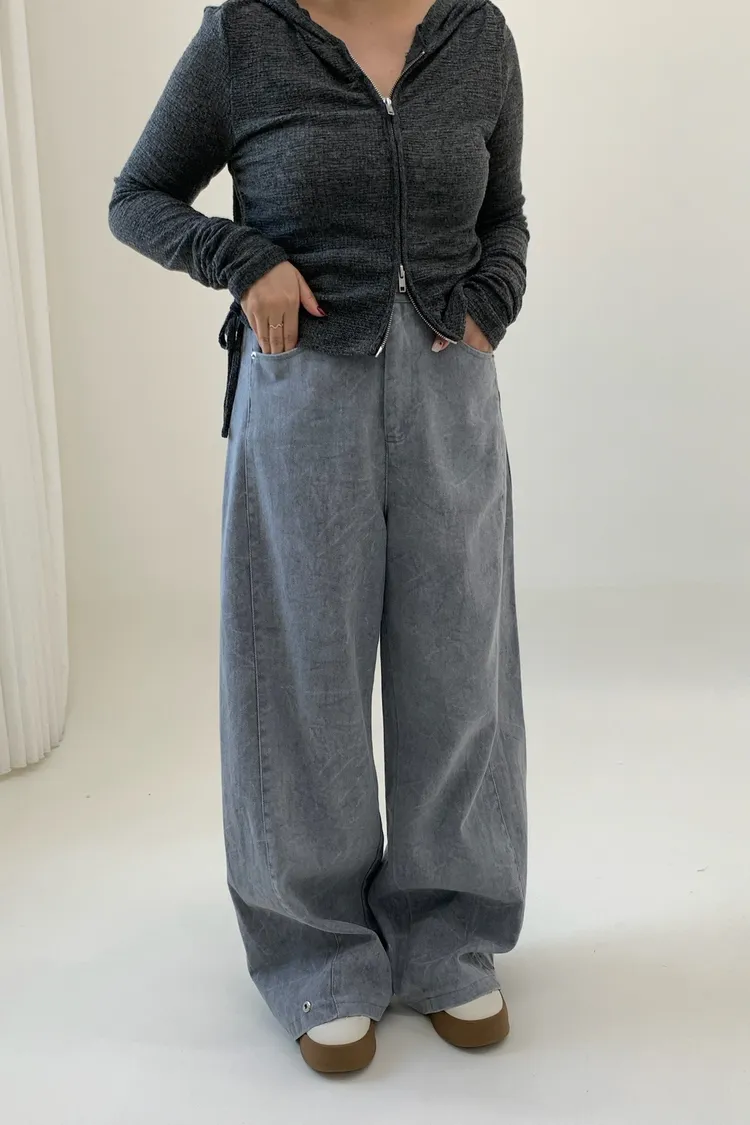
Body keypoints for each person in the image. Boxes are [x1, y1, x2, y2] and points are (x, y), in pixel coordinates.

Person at [108, 0, 529, 1075]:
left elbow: (507, 214)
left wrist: (493, 299)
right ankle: (317, 954)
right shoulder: (244, 38)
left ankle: (448, 933)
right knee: (301, 671)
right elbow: (138, 196)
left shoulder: (476, 35)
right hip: (303, 390)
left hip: (450, 388)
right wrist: (241, 258)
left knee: (458, 663)